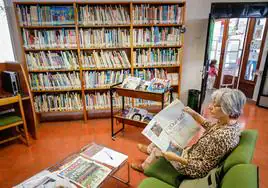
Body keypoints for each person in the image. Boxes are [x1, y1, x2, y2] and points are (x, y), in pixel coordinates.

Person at [131, 88, 246, 179]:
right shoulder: (229, 123)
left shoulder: (221, 137)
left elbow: (202, 168)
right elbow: (209, 126)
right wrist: (194, 114)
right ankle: (150, 150)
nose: (210, 107)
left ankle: (145, 166)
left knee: (160, 147)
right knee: (164, 138)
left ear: (228, 109)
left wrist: (176, 158)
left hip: (189, 166)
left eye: (215, 105)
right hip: (192, 153)